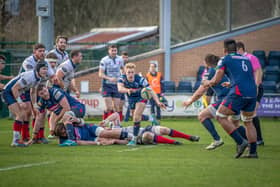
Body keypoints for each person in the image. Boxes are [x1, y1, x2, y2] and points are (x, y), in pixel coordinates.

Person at [203, 39, 258, 158]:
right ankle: (253, 152)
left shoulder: (225, 59)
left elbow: (216, 80)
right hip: (252, 92)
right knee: (248, 122)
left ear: (224, 50)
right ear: (236, 49)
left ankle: (241, 142)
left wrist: (208, 82)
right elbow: (246, 76)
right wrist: (231, 83)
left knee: (220, 116)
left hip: (239, 92)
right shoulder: (246, 59)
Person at [183, 54, 232, 150]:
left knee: (202, 115)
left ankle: (217, 139)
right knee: (234, 123)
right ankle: (248, 143)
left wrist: (190, 101)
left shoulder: (211, 71)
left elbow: (201, 90)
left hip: (225, 99)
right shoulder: (223, 69)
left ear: (207, 63)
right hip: (235, 97)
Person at [118, 63, 166, 146]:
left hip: (141, 97)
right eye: (128, 72)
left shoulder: (140, 79)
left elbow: (151, 90)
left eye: (132, 72)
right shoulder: (122, 79)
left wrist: (158, 102)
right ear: (125, 72)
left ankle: (134, 139)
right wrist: (127, 90)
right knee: (135, 117)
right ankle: (151, 118)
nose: (130, 74)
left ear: (134, 72)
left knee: (136, 117)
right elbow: (120, 88)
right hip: (131, 99)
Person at [2, 61, 48, 147]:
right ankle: (15, 141)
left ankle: (22, 138)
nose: (45, 71)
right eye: (43, 69)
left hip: (15, 92)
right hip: (8, 92)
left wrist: (34, 105)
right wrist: (19, 101)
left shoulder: (38, 78)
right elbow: (14, 88)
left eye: (46, 69)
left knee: (25, 113)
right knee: (20, 114)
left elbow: (33, 92)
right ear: (38, 69)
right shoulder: (30, 76)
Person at [19, 43, 55, 143]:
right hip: (24, 88)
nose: (42, 53)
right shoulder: (28, 62)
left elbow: (52, 75)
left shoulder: (45, 62)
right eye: (40, 51)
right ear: (34, 52)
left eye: (44, 51)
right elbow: (34, 76)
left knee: (40, 112)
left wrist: (55, 82)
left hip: (37, 88)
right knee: (27, 112)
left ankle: (40, 137)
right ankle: (25, 136)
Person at [237, 41, 264, 146]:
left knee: (251, 114)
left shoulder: (251, 57)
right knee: (247, 114)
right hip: (245, 89)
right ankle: (253, 139)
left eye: (236, 50)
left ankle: (258, 139)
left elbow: (258, 71)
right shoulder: (239, 59)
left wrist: (256, 86)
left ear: (240, 49)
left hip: (254, 88)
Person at [99, 45, 124, 120]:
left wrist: (122, 76)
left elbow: (123, 69)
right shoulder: (104, 60)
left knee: (117, 107)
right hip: (107, 85)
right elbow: (100, 74)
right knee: (109, 108)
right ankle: (105, 122)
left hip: (117, 85)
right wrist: (109, 78)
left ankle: (116, 125)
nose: (114, 52)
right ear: (109, 51)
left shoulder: (120, 59)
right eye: (112, 50)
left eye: (115, 50)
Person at [119, 51, 129, 121]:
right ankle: (116, 119)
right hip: (117, 86)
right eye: (123, 57)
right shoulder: (117, 65)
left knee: (121, 105)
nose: (124, 59)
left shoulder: (128, 66)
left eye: (126, 57)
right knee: (116, 105)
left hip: (125, 87)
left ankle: (121, 119)